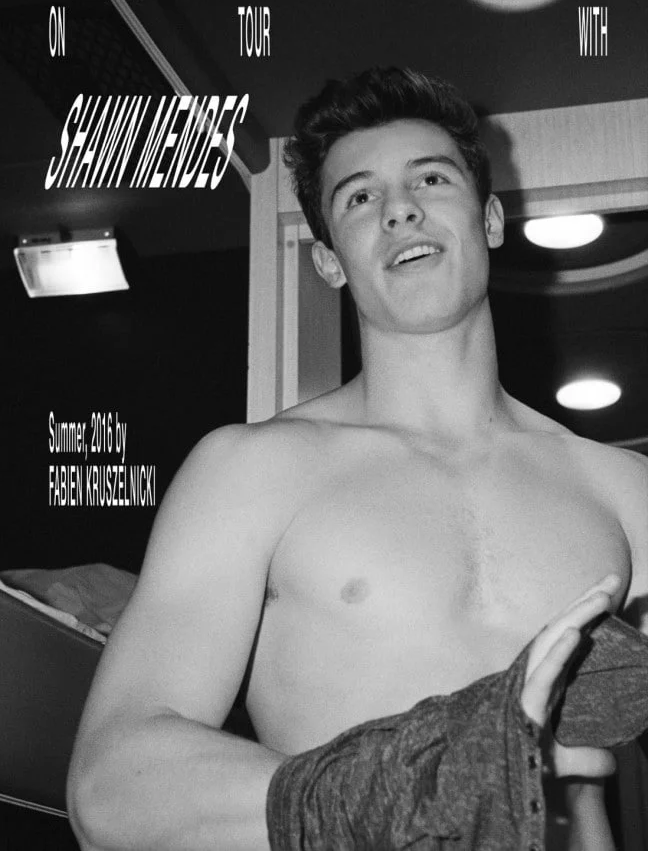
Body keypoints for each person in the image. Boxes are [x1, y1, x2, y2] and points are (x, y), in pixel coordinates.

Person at [67, 67, 648, 851]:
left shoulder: (622, 489)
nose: (399, 208)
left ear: (490, 219)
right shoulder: (252, 473)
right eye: (360, 197)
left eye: (431, 178)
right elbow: (109, 787)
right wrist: (400, 783)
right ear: (329, 260)